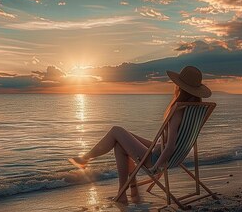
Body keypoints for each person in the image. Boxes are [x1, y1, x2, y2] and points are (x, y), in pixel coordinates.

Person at [68, 66, 212, 204]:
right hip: (175, 155)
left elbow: (170, 146)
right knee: (120, 142)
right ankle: (130, 191)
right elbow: (176, 144)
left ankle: (86, 159)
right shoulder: (197, 110)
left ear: (179, 87)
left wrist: (155, 167)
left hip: (158, 157)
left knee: (116, 131)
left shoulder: (179, 110)